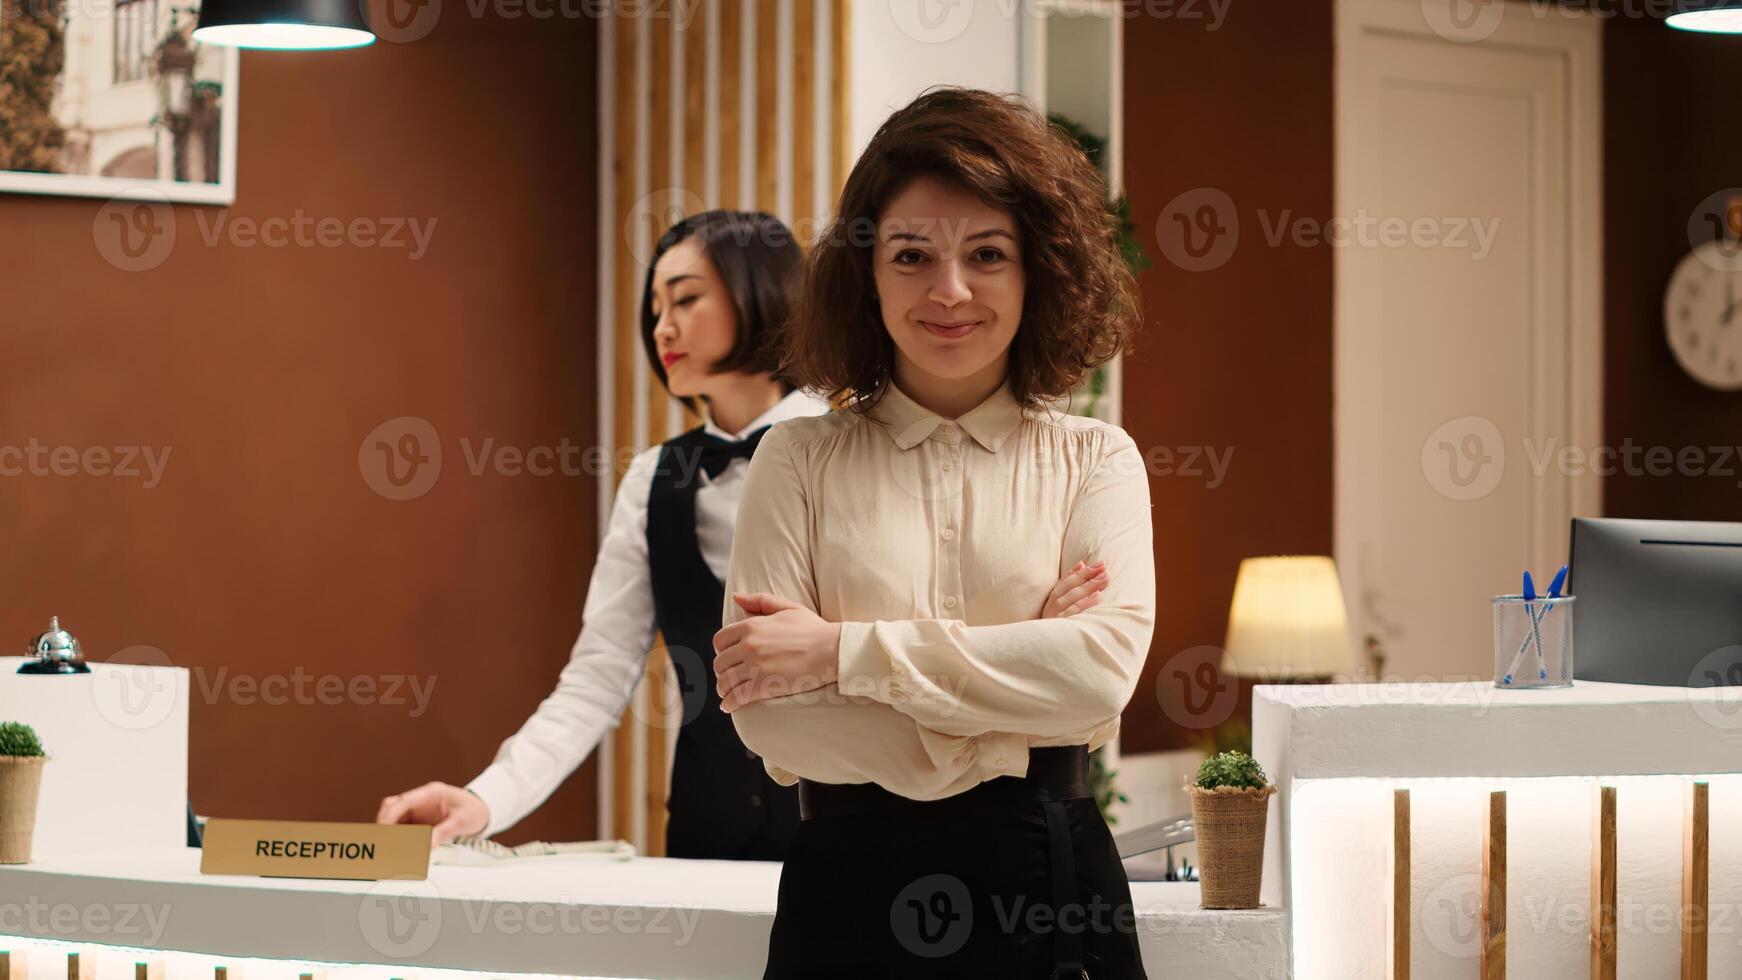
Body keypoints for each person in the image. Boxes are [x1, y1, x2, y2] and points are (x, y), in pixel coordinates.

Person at [711, 88, 1154, 976]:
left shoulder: (1096, 459)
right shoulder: (793, 460)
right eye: (912, 255)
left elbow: (1098, 681)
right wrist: (1015, 693)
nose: (950, 291)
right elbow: (776, 725)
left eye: (988, 254)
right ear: (867, 275)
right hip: (845, 896)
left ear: (1038, 271)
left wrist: (840, 652)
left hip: (1051, 887)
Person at [377, 210, 828, 859]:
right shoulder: (652, 479)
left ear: (762, 292)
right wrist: (484, 799)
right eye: (654, 308)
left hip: (851, 836)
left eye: (686, 299)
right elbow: (596, 677)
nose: (661, 328)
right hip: (705, 837)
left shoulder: (852, 452)